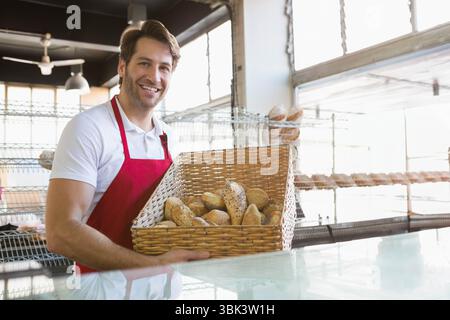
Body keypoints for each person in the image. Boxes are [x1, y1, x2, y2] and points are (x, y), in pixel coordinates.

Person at [45, 20, 209, 273]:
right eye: (144, 63)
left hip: (162, 288)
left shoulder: (170, 138)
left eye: (164, 68)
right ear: (122, 66)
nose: (154, 77)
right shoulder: (88, 129)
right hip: (103, 290)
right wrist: (151, 266)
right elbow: (60, 231)